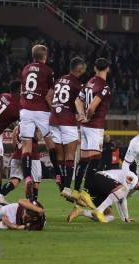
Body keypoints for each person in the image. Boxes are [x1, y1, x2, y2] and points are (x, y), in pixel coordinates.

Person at [74, 58, 112, 209]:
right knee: (95, 160)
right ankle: (87, 192)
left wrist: (81, 115)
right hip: (95, 126)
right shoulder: (104, 86)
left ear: (95, 68)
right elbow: (93, 106)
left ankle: (76, 190)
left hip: (84, 127)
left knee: (84, 159)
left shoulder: (89, 82)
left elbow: (78, 100)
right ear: (107, 68)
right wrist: (87, 115)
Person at [19, 44, 57, 199]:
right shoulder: (48, 71)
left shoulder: (25, 68)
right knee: (50, 143)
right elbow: (49, 96)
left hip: (25, 110)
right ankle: (59, 175)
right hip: (41, 110)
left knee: (26, 146)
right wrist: (53, 111)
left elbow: (22, 90)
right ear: (45, 56)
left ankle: (27, 177)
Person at [49, 56, 86, 201]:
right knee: (70, 155)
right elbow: (79, 102)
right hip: (67, 120)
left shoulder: (59, 80)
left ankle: (64, 187)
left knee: (60, 157)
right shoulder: (77, 84)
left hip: (54, 119)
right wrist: (80, 114)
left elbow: (49, 96)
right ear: (79, 68)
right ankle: (66, 188)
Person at [68, 165, 139, 224]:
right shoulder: (133, 178)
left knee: (109, 217)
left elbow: (120, 199)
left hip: (100, 190)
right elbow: (122, 196)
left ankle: (81, 211)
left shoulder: (133, 187)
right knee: (123, 189)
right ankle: (99, 210)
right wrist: (125, 217)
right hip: (100, 178)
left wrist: (125, 218)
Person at [6, 126, 41, 199]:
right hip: (33, 156)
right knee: (35, 182)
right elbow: (38, 138)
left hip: (17, 156)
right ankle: (32, 203)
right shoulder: (34, 126)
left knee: (14, 180)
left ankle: (0, 194)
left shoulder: (16, 128)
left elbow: (13, 145)